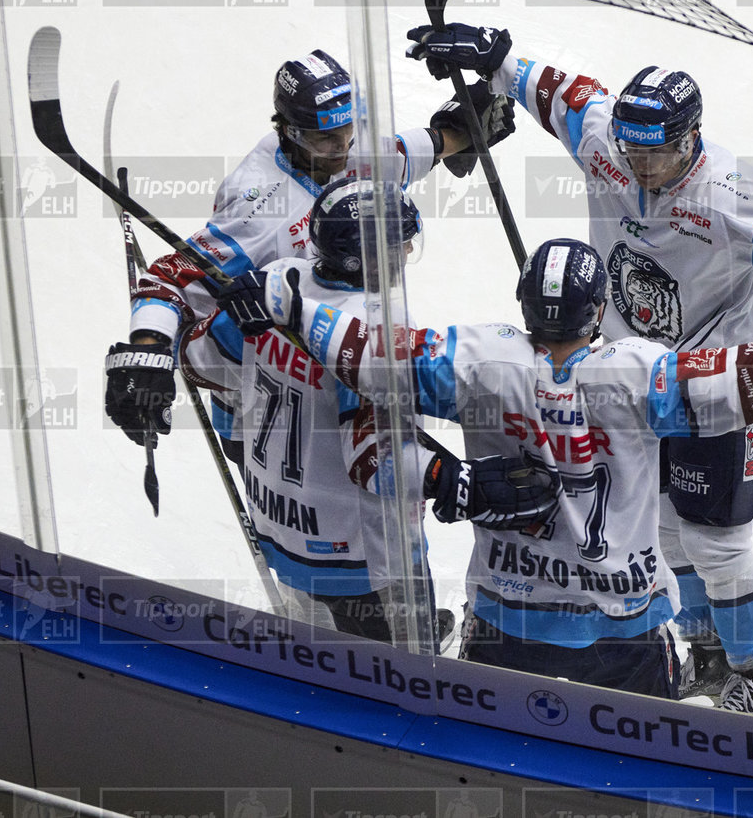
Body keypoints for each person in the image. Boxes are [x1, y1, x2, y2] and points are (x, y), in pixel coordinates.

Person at [217, 234, 753, 702]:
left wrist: (287, 305)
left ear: (524, 306)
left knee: (489, 766)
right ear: (598, 309)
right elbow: (743, 375)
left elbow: (370, 353)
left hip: (503, 623)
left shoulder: (480, 359)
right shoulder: (639, 374)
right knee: (640, 779)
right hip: (622, 632)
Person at [404, 23, 753, 714]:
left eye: (661, 153)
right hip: (630, 381)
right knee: (662, 525)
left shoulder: (738, 194)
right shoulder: (606, 142)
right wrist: (496, 58)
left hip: (717, 384)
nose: (642, 167)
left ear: (692, 139)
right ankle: (706, 650)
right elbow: (560, 92)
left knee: (716, 539)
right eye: (632, 151)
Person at [180, 179, 553, 639]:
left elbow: (201, 367)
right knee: (398, 676)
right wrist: (455, 481)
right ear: (367, 257)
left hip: (279, 523)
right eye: (401, 242)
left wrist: (225, 314)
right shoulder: (377, 325)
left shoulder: (276, 280)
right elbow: (373, 460)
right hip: (358, 556)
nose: (409, 248)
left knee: (312, 645)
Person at [104, 47, 514, 464]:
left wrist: (462, 132)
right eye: (326, 139)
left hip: (336, 361)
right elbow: (166, 281)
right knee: (284, 478)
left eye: (347, 131)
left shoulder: (343, 144)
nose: (343, 148)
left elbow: (399, 157)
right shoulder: (258, 206)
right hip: (260, 388)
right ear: (289, 130)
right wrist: (148, 353)